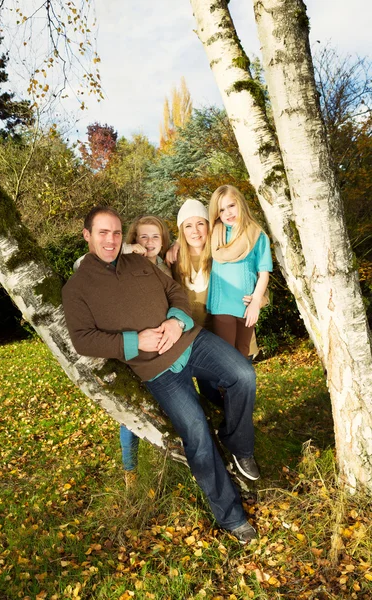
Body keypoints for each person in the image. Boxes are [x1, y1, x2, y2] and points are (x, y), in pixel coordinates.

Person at [63, 205, 258, 544]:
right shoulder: (76, 288)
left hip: (191, 341)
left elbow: (176, 293)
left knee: (243, 375)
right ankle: (232, 517)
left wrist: (175, 320)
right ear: (87, 236)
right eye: (102, 233)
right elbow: (83, 339)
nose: (110, 240)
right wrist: (132, 340)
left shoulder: (140, 262)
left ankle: (238, 444)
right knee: (196, 433)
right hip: (156, 369)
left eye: (116, 233)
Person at [119, 215, 172, 485]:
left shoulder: (165, 266)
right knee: (132, 411)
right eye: (143, 237)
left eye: (155, 237)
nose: (150, 242)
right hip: (137, 348)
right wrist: (126, 250)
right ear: (134, 240)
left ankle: (167, 462)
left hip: (167, 346)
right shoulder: (124, 262)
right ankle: (131, 471)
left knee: (167, 405)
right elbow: (83, 261)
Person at [207, 185, 273, 359]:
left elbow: (263, 273)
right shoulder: (214, 233)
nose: (228, 213)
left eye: (231, 205)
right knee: (226, 358)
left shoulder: (257, 235)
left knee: (243, 353)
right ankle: (226, 387)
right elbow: (191, 236)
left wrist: (256, 301)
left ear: (240, 203)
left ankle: (242, 387)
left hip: (246, 304)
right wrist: (174, 246)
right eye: (221, 210)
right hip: (222, 305)